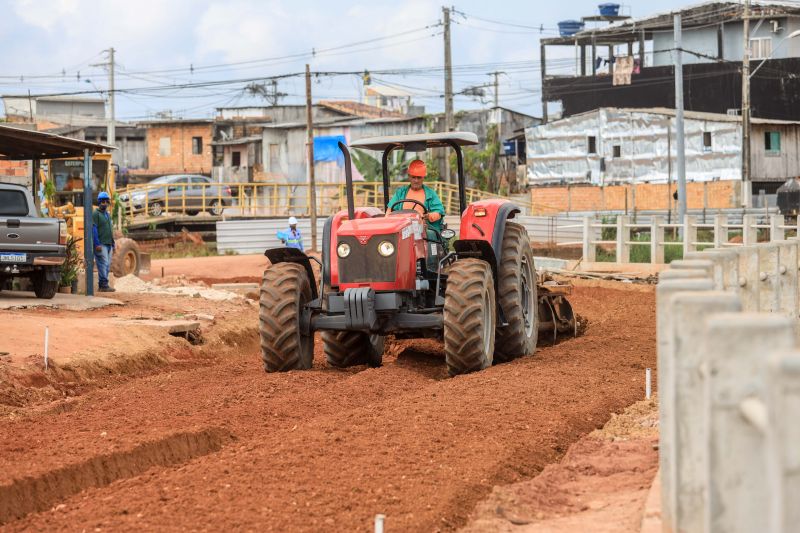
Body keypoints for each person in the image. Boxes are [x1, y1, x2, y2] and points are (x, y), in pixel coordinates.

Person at [387, 159, 445, 232]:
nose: (416, 180)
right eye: (413, 177)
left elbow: (438, 212)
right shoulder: (400, 193)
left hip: (424, 228)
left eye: (419, 177)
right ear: (409, 176)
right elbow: (389, 211)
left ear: (423, 177)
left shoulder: (431, 194)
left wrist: (428, 216)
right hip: (402, 227)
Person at [92, 191, 116, 292]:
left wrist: (113, 243)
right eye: (103, 201)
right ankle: (103, 285)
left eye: (106, 201)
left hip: (109, 244)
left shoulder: (107, 214)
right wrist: (97, 243)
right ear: (99, 202)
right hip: (101, 244)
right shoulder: (95, 214)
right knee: (103, 263)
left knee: (107, 264)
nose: (105, 203)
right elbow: (94, 229)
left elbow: (110, 229)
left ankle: (104, 284)